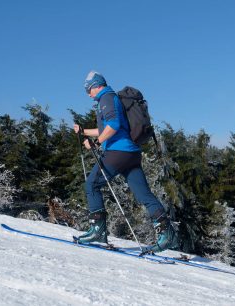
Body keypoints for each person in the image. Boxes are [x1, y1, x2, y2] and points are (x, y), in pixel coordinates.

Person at [73, 70, 178, 252]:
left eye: (88, 90)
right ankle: (167, 234)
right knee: (143, 194)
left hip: (118, 152)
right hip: (131, 153)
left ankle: (97, 230)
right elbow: (107, 127)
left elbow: (113, 126)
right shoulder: (109, 100)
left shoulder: (106, 98)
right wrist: (84, 131)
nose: (88, 94)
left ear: (96, 86)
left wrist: (96, 143)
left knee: (91, 185)